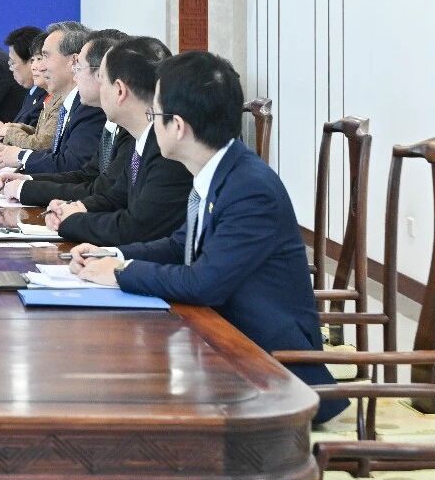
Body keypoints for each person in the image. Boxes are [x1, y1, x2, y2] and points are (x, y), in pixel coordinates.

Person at [70, 51, 347, 425]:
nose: (152, 125)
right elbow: (178, 245)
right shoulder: (217, 172)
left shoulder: (250, 188)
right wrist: (111, 254)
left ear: (177, 126)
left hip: (272, 374)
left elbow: (204, 283)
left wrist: (122, 272)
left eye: (155, 116)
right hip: (222, 352)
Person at [42, 36, 190, 246]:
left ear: (120, 91)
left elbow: (137, 228)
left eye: (102, 81)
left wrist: (71, 221)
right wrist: (75, 208)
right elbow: (116, 196)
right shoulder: (142, 139)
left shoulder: (166, 149)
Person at [0, 29, 131, 208]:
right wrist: (28, 180)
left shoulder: (104, 117)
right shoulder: (107, 119)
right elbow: (88, 175)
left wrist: (26, 187)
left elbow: (101, 189)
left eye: (45, 57)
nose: (39, 67)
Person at [0, 21, 104, 174]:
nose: (39, 67)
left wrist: (21, 157)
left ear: (73, 62)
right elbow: (56, 154)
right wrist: (8, 151)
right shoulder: (70, 103)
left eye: (44, 57)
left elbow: (72, 166)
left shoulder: (89, 107)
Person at [0, 25, 45, 141]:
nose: (10, 68)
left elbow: (34, 141)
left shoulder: (46, 98)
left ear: (31, 61)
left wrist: (1, 131)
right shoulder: (32, 93)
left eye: (12, 63)